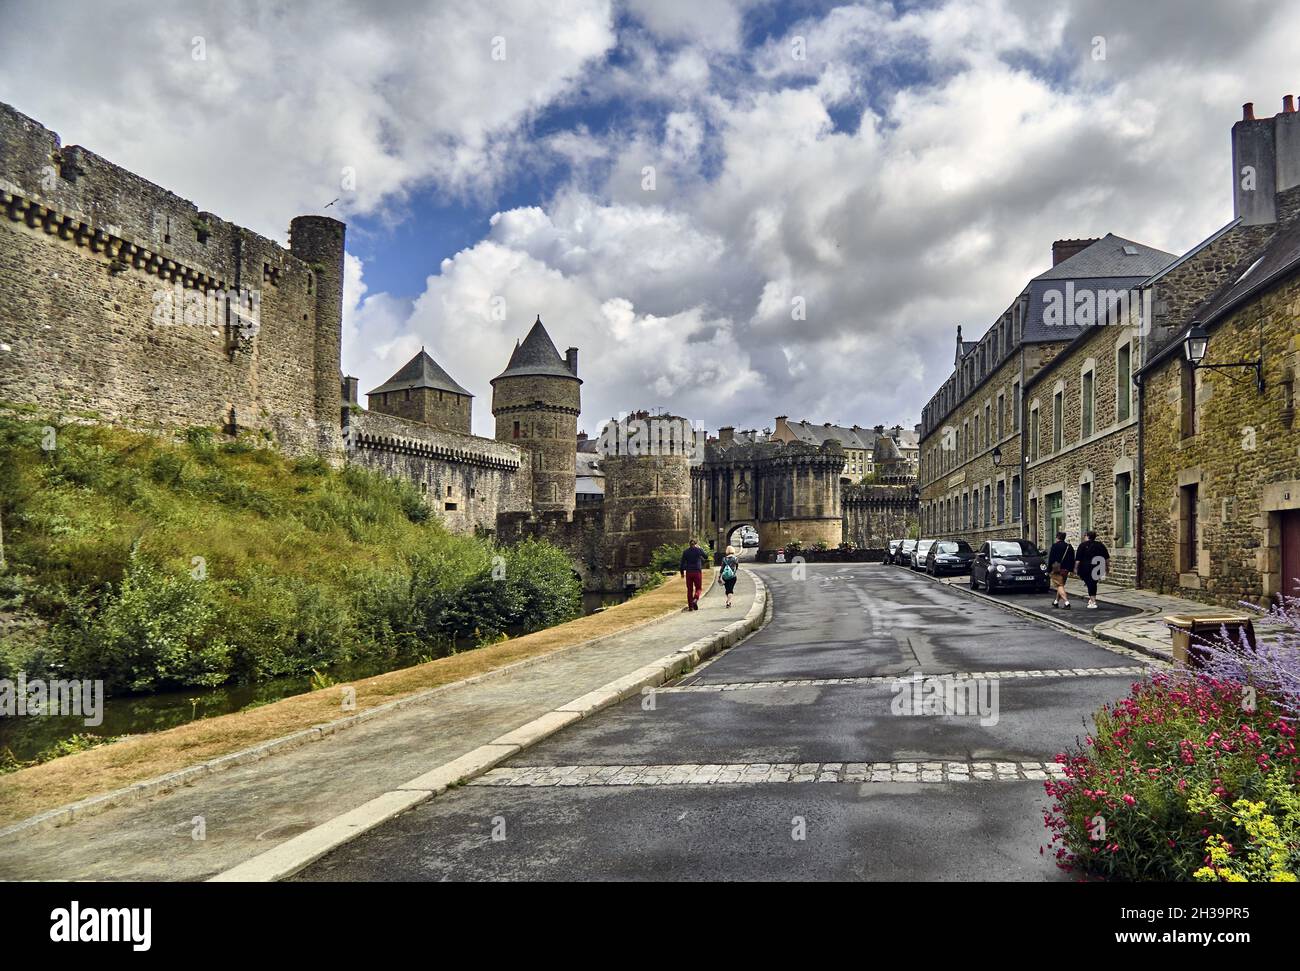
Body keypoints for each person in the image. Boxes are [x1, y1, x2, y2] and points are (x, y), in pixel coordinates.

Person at [1075, 529, 1110, 610]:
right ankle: (1092, 599)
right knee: (1092, 583)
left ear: (1087, 536)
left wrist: (1076, 568)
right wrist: (1107, 567)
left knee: (1091, 583)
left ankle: (1093, 601)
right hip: (1098, 567)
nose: (1084, 537)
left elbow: (1078, 559)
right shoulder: (1100, 545)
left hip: (1086, 567)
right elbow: (1107, 558)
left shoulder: (1082, 545)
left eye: (1085, 536)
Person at [1047, 530, 1075, 609]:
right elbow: (1072, 558)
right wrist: (1071, 569)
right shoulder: (1069, 546)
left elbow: (1051, 559)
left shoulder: (1055, 546)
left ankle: (1066, 603)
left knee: (1059, 585)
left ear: (1057, 537)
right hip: (1065, 570)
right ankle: (1056, 602)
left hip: (1056, 570)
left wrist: (1049, 569)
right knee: (1061, 585)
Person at [679, 539, 708, 611]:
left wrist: (682, 573)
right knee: (698, 588)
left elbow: (682, 563)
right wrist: (700, 548)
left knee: (689, 589)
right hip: (697, 571)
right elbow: (706, 556)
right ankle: (695, 599)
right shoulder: (698, 550)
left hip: (689, 572)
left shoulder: (685, 552)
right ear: (695, 544)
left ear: (689, 544)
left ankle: (690, 606)